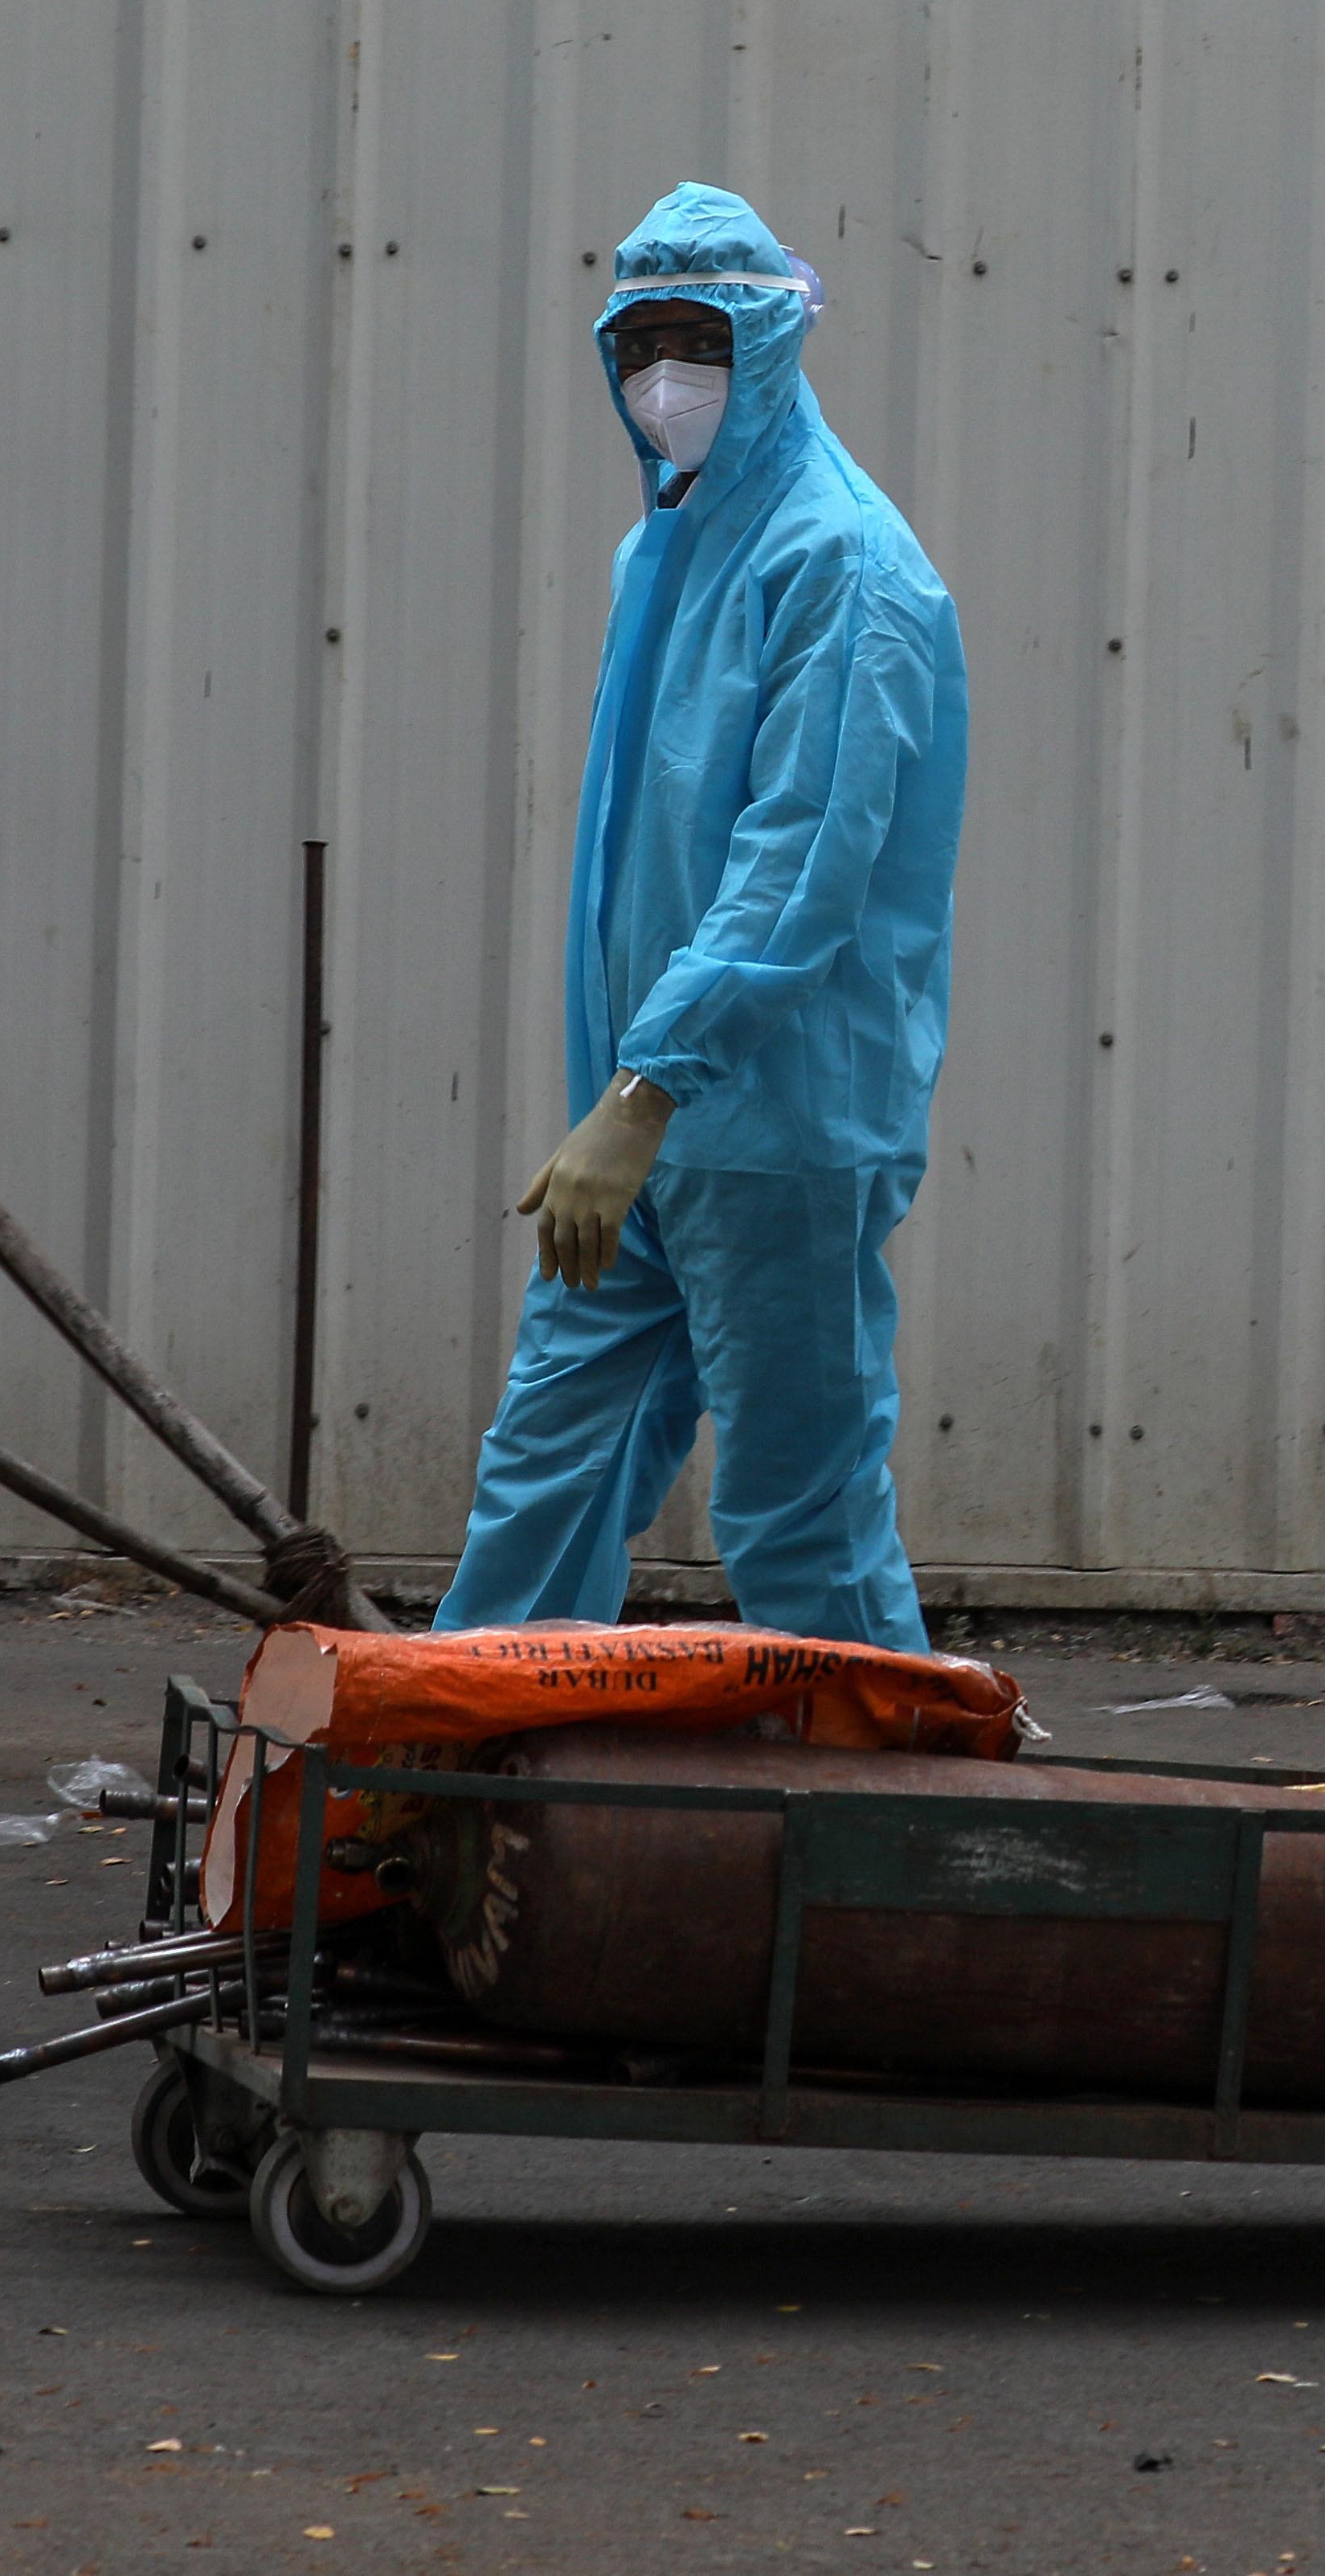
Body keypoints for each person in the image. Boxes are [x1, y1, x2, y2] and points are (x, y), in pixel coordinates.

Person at [433, 184, 968, 1651]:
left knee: (802, 1516)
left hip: (773, 1121)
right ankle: (461, 1790)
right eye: (642, 345)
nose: (668, 381)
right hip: (640, 1126)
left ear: (775, 342)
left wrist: (649, 1079)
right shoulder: (665, 547)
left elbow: (800, 868)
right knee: (548, 1473)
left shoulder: (840, 565)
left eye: (703, 343)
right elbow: (640, 849)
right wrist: (624, 1097)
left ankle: (896, 1843)